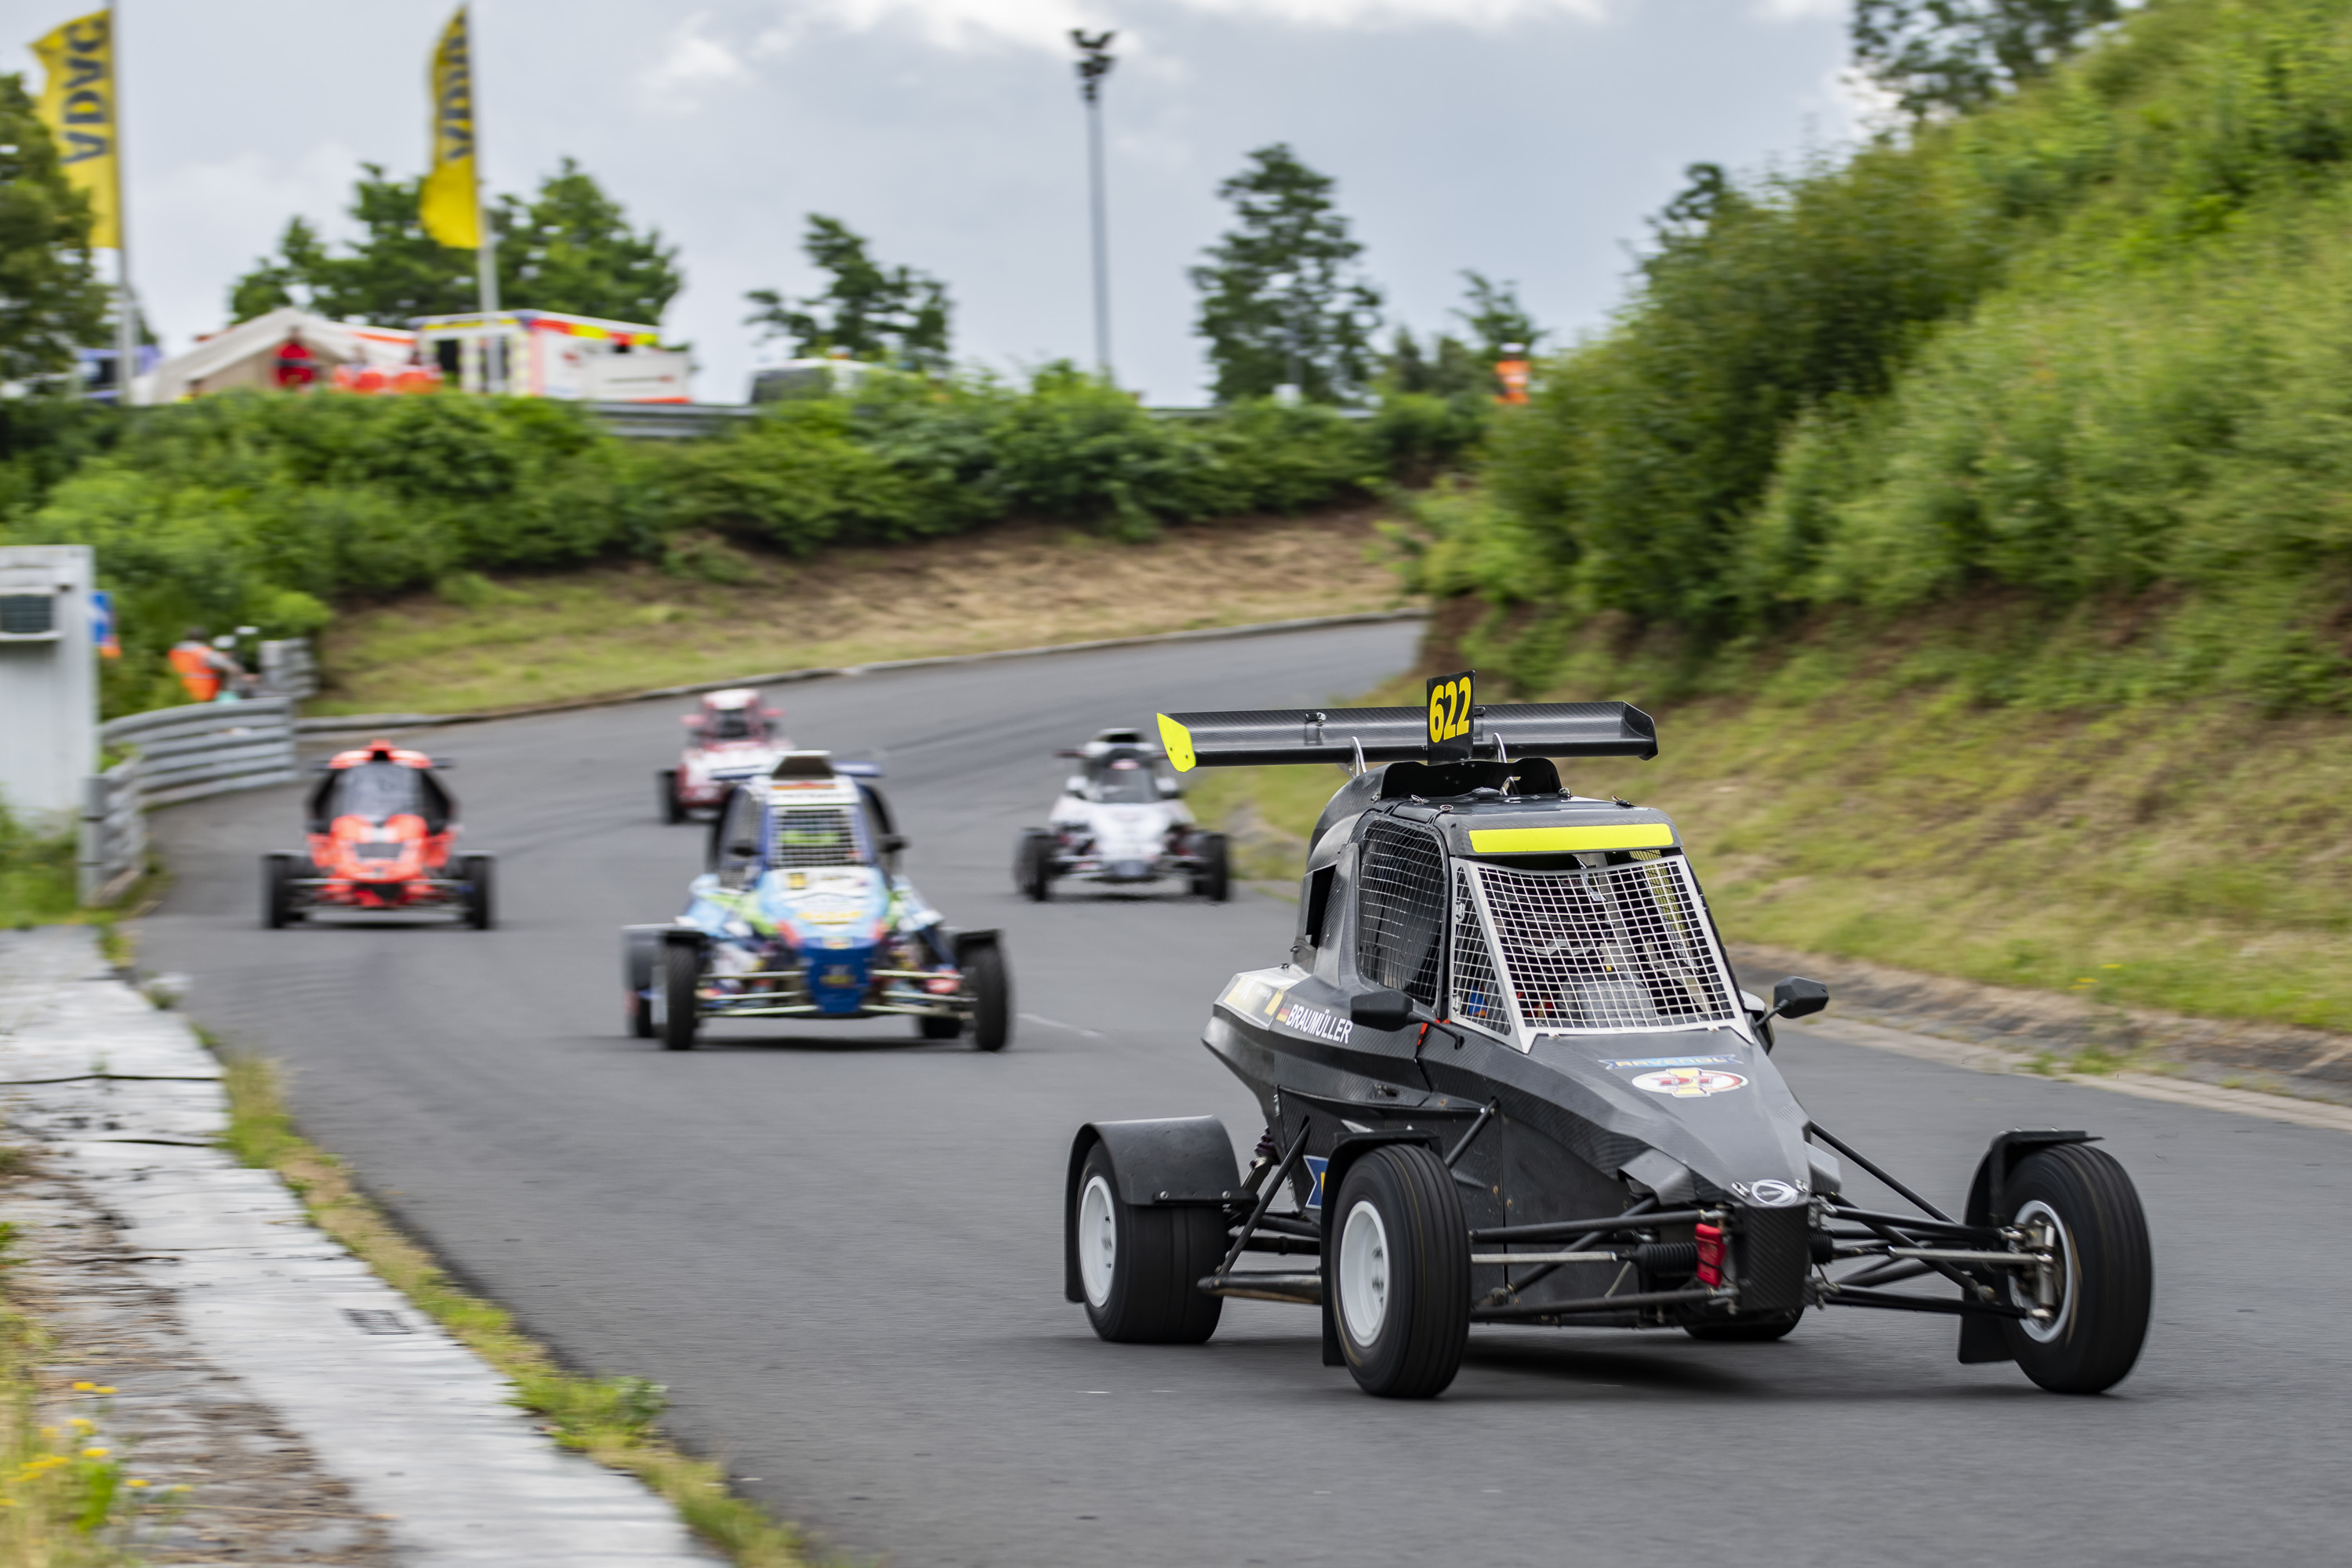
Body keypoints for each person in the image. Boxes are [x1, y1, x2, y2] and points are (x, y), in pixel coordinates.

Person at [167, 626, 245, 703]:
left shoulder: (176, 652)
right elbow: (232, 668)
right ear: (203, 638)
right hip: (202, 693)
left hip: (179, 692)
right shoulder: (203, 652)